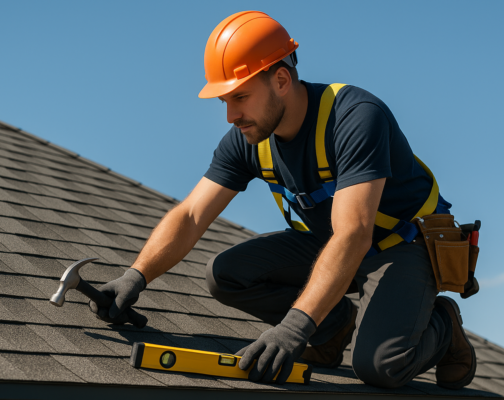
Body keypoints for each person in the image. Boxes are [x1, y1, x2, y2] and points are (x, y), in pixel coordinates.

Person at [88, 11, 476, 390]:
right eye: (223, 100)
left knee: (379, 368)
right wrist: (135, 276)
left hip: (400, 245)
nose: (230, 115)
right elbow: (190, 215)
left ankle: (443, 325)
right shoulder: (248, 140)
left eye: (239, 96)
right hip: (329, 242)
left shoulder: (356, 116)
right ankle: (334, 327)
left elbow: (354, 234)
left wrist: (294, 328)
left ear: (281, 79)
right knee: (225, 274)